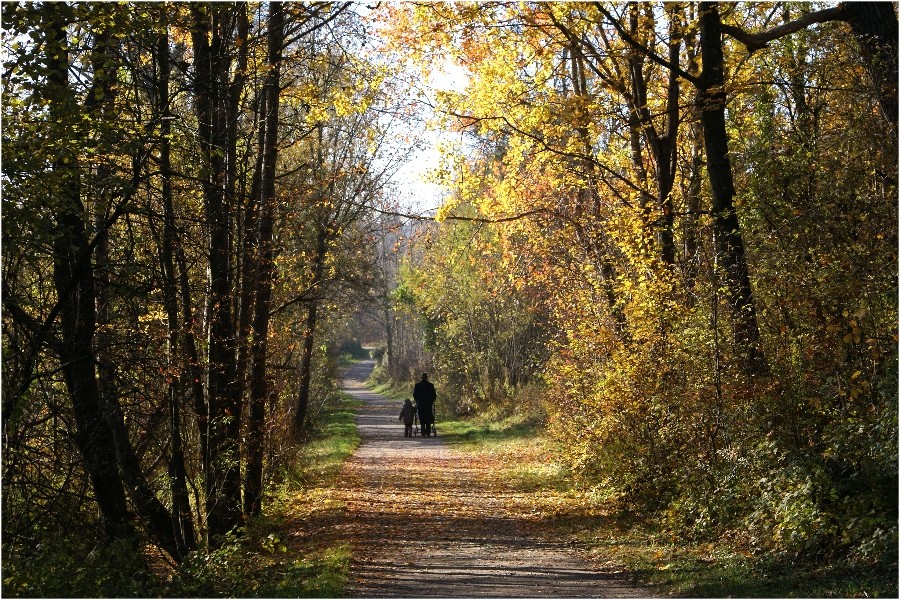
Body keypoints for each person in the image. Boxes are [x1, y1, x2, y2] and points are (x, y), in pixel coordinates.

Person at [413, 372, 436, 437]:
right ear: (427, 378)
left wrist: (417, 401)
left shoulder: (417, 385)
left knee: (422, 417)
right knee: (428, 417)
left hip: (421, 403)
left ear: (421, 378)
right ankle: (428, 432)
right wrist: (432, 401)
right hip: (428, 404)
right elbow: (434, 395)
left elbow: (414, 395)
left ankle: (423, 432)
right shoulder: (431, 385)